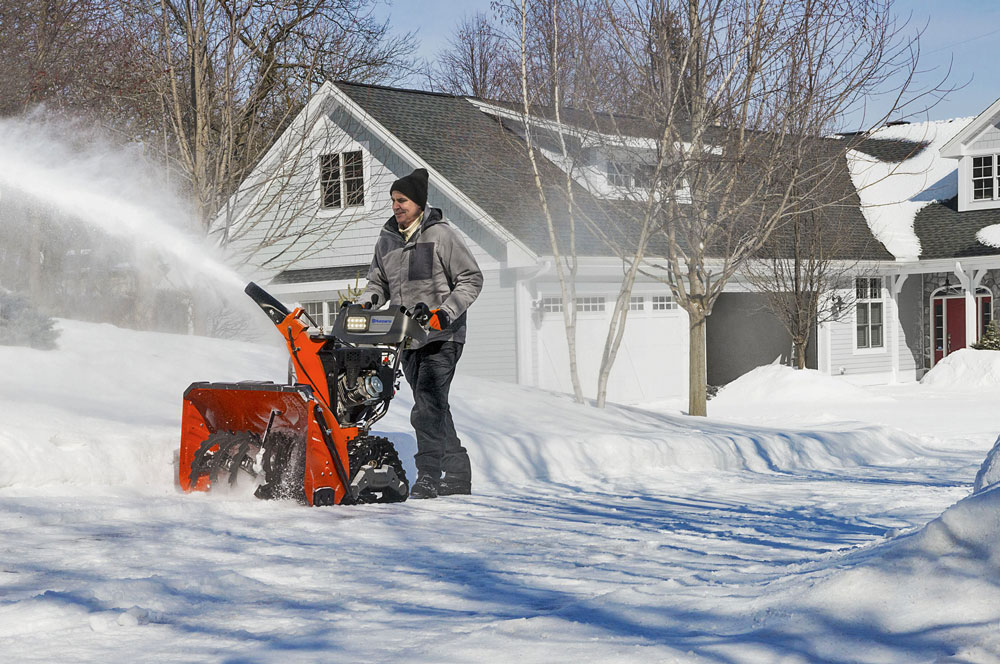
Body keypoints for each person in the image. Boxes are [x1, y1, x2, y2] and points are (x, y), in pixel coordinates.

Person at [358, 168, 483, 499]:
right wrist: (368, 302)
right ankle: (457, 473)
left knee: (427, 402)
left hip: (442, 337)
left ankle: (427, 475)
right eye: (394, 201)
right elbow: (377, 283)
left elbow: (471, 278)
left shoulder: (440, 235)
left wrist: (445, 312)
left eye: (403, 201)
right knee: (433, 405)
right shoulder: (386, 239)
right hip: (406, 338)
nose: (396, 206)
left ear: (419, 204)